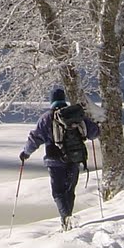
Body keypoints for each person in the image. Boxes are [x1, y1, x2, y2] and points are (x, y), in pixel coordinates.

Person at [20, 87, 100, 231]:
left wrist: (26, 153)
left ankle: (66, 218)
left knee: (58, 192)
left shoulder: (46, 118)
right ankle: (68, 217)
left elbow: (35, 138)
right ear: (64, 99)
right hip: (75, 158)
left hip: (55, 161)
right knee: (70, 190)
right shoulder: (76, 114)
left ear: (51, 101)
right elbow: (93, 133)